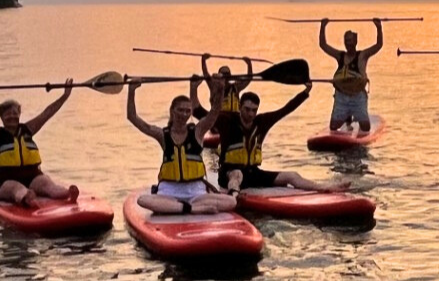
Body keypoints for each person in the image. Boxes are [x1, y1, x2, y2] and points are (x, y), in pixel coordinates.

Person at [126, 78, 238, 215]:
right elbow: (132, 117)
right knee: (143, 200)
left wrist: (220, 89)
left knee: (232, 202)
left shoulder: (198, 131)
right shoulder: (162, 134)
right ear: (172, 111)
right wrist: (131, 91)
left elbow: (215, 112)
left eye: (187, 111)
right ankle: (193, 208)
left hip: (196, 190)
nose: (184, 114)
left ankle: (179, 207)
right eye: (180, 110)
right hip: (169, 191)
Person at [216, 81, 350, 194]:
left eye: (254, 110)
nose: (251, 113)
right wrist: (194, 89)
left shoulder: (262, 122)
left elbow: (286, 109)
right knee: (237, 174)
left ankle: (326, 187)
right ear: (240, 107)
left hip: (253, 173)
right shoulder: (227, 120)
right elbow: (201, 114)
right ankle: (233, 197)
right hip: (228, 174)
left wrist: (306, 92)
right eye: (247, 109)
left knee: (291, 176)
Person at [0, 82, 81, 208]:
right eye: (8, 114)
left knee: (46, 184)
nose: (12, 116)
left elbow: (47, 113)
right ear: (1, 117)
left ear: (19, 114)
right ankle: (26, 197)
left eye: (15, 113)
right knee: (16, 188)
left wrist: (65, 95)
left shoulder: (28, 129)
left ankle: (66, 193)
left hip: (32, 176)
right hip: (4, 181)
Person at [319, 17, 384, 133]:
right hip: (342, 97)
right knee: (333, 127)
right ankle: (347, 117)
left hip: (358, 97)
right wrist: (323, 27)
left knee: (365, 128)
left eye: (350, 41)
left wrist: (378, 27)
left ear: (355, 41)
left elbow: (378, 45)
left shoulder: (363, 56)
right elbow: (323, 45)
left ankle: (355, 116)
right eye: (346, 41)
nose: (348, 43)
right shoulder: (340, 56)